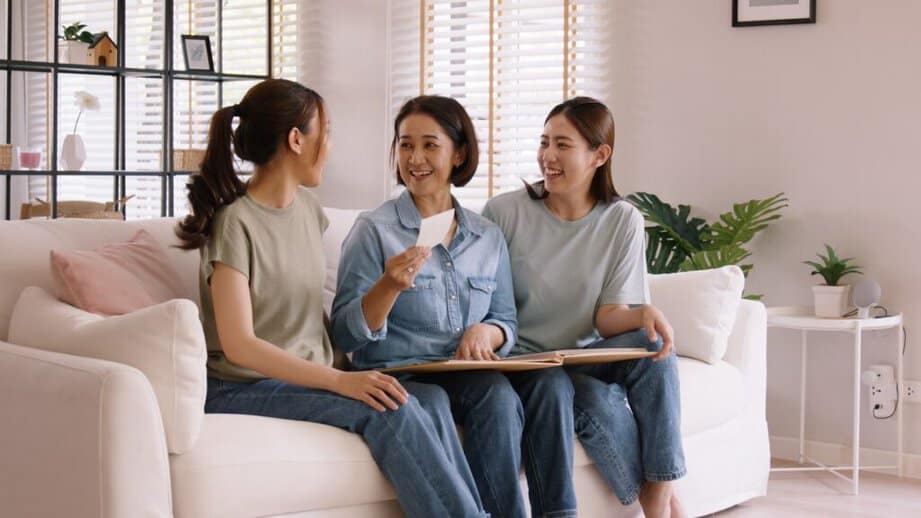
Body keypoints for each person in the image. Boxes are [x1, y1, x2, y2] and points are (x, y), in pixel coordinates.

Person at [175, 79, 487, 518]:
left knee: (428, 399)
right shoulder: (235, 223)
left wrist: (352, 365)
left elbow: (305, 317)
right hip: (242, 384)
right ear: (296, 139)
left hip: (308, 373)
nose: (331, 144)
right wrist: (340, 382)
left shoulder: (308, 211)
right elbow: (239, 343)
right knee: (386, 410)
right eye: (328, 131)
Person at [331, 95, 577, 518]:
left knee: (499, 396)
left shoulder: (486, 236)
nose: (415, 158)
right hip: (397, 373)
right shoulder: (375, 230)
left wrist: (488, 333)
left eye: (430, 145)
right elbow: (344, 334)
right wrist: (387, 287)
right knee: (436, 403)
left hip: (465, 374)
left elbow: (505, 319)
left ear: (459, 153)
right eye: (406, 145)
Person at [482, 97, 687, 518]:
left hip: (585, 354)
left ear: (600, 155)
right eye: (544, 142)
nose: (547, 156)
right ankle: (663, 506)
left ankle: (662, 492)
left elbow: (608, 317)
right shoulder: (504, 213)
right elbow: (488, 307)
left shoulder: (621, 219)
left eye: (562, 145)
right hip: (526, 364)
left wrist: (642, 315)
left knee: (655, 349)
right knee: (593, 400)